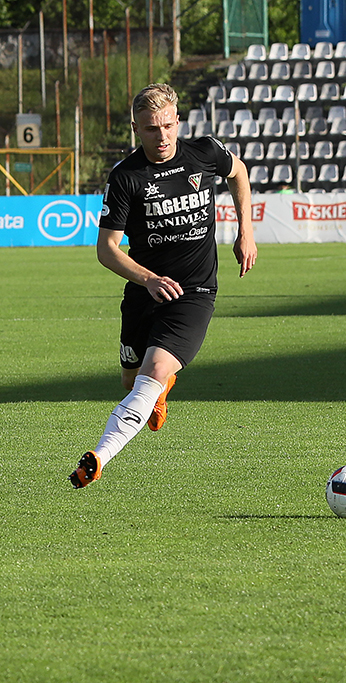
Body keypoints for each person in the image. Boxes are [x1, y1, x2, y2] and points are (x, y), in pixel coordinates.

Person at [70, 83, 257, 487]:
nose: (163, 137)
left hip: (195, 292)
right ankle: (157, 391)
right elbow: (106, 250)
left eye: (169, 126)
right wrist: (148, 279)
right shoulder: (126, 177)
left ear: (178, 122)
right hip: (145, 292)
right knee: (131, 381)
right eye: (152, 129)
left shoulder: (204, 152)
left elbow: (238, 172)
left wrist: (246, 230)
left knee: (153, 370)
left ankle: (98, 458)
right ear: (136, 128)